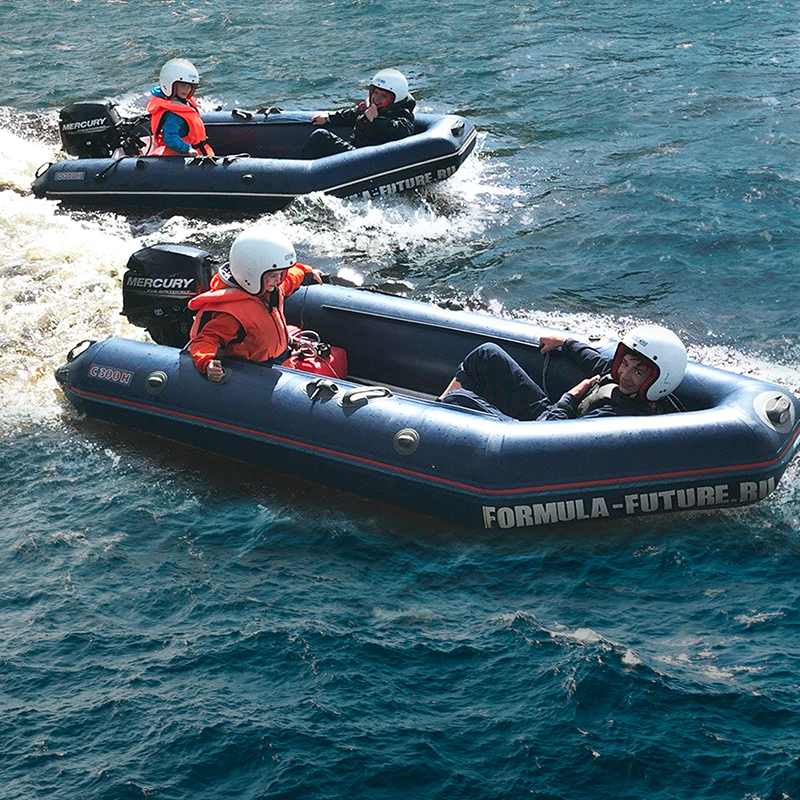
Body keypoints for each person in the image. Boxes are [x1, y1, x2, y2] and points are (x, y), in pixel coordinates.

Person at [438, 325, 687, 421]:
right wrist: (566, 343)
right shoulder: (628, 386)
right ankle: (436, 407)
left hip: (536, 436)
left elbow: (551, 438)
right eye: (625, 364)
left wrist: (570, 397)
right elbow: (598, 363)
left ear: (658, 380)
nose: (625, 374)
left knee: (459, 400)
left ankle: (433, 419)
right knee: (487, 355)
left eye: (638, 372)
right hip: (552, 414)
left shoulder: (615, 415)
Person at [187, 228, 323, 382]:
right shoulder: (232, 313)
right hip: (257, 374)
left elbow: (291, 278)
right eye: (274, 275)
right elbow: (207, 339)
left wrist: (307, 273)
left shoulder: (271, 287)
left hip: (282, 360)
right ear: (251, 273)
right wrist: (207, 361)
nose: (279, 279)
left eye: (282, 273)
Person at [302, 69, 416, 159]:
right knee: (320, 138)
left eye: (383, 96)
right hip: (356, 153)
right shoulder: (369, 108)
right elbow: (351, 115)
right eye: (376, 93)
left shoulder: (402, 113)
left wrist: (375, 119)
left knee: (321, 136)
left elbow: (402, 131)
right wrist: (328, 118)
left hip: (369, 159)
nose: (377, 98)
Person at [146, 58, 215, 156]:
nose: (187, 89)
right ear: (170, 84)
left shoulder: (182, 103)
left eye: (189, 86)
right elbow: (169, 137)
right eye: (183, 85)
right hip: (183, 155)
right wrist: (187, 149)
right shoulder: (174, 114)